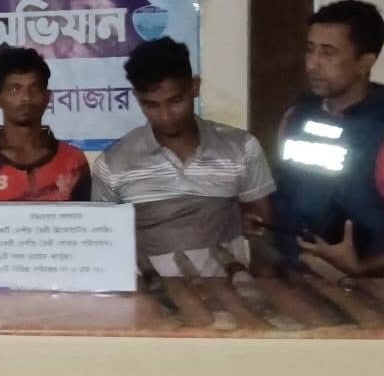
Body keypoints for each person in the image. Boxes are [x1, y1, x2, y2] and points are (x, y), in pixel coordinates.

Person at [273, 0, 384, 276]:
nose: (312, 64)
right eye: (310, 50)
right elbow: (289, 196)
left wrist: (362, 268)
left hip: (368, 292)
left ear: (365, 62)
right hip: (292, 284)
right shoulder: (295, 118)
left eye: (328, 53)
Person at [91, 37, 275, 276]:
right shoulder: (112, 164)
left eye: (175, 101)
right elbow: (103, 248)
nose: (166, 116)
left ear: (194, 87)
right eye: (151, 105)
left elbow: (264, 235)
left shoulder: (241, 148)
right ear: (137, 98)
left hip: (230, 293)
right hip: (151, 296)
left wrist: (263, 289)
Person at [0, 47, 91, 276]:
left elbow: (85, 241)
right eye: (14, 89)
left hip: (61, 287)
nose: (26, 98)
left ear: (48, 97)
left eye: (34, 89)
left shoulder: (74, 161)